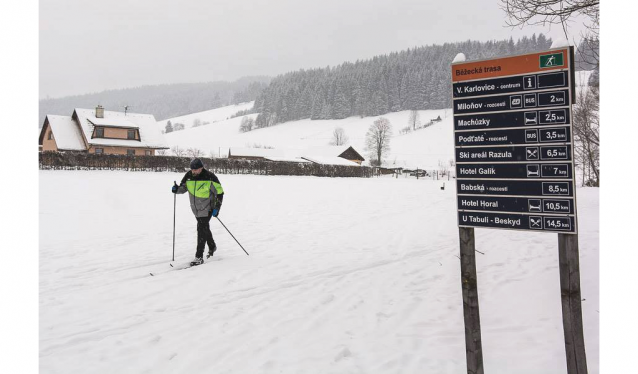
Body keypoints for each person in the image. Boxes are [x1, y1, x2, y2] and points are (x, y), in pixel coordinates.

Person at [172, 158, 224, 266]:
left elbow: (220, 192)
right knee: (204, 228)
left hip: (207, 208)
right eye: (192, 170)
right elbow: (183, 187)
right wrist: (177, 189)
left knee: (201, 229)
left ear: (201, 168)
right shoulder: (189, 176)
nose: (194, 171)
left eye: (196, 170)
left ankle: (199, 256)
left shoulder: (210, 177)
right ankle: (212, 245)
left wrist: (217, 208)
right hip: (195, 209)